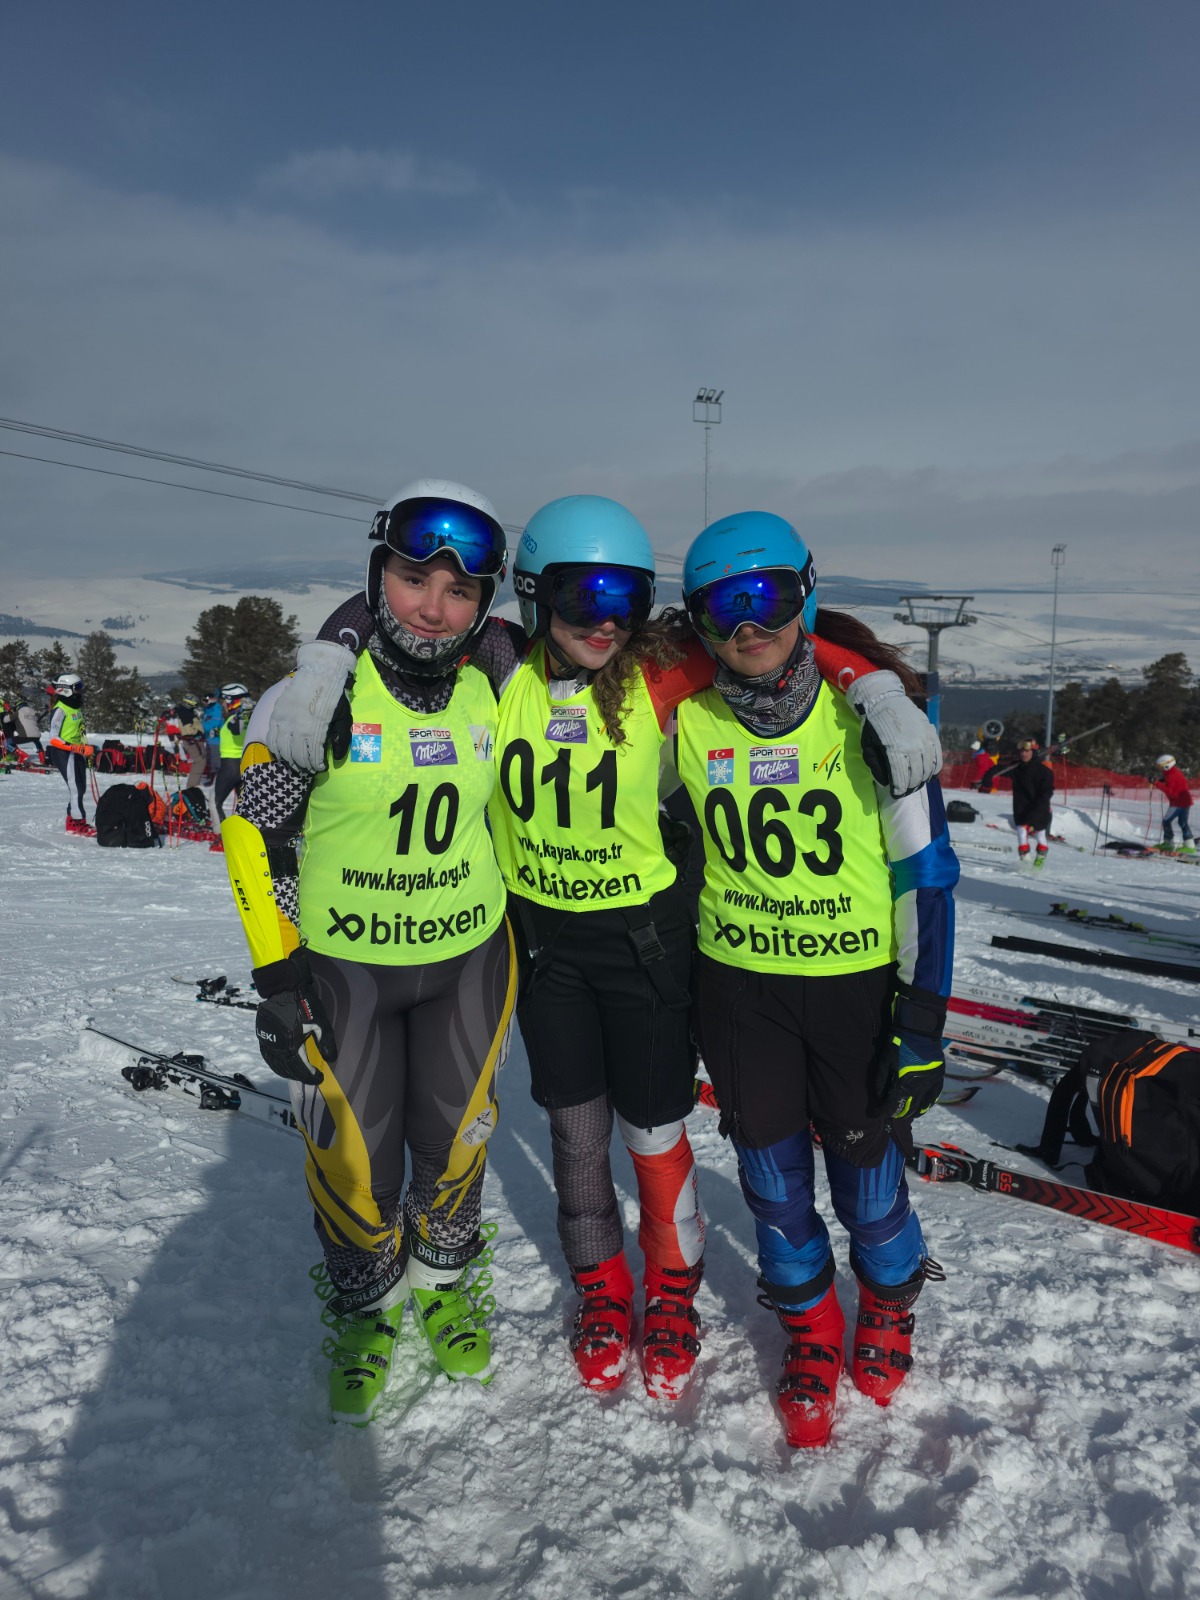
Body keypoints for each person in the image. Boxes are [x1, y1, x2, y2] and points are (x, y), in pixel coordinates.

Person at [268, 492, 945, 1403]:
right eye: (580, 597)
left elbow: (770, 638)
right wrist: (326, 654)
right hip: (547, 953)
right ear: (534, 595)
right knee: (576, 1139)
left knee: (655, 1137)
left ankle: (671, 1290)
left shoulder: (653, 674)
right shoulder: (500, 666)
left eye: (623, 597)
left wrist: (873, 685)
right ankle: (602, 1288)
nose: (603, 620)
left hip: (647, 950)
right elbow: (404, 613)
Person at [222, 480, 516, 1425]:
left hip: (467, 958)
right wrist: (278, 976)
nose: (433, 607)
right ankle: (364, 1304)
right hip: (345, 968)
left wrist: (868, 681)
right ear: (377, 573)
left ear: (485, 603)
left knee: (454, 1144)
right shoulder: (312, 696)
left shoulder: (499, 684)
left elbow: (639, 651)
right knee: (355, 1162)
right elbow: (253, 836)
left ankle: (442, 1283)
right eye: (412, 578)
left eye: (460, 591)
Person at [675, 511, 958, 1449]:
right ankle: (811, 1331)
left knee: (867, 1181)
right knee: (773, 1183)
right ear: (700, 621)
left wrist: (922, 1021)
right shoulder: (689, 718)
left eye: (768, 597)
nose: (749, 625)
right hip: (740, 990)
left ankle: (889, 1307)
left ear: (805, 592)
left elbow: (926, 878)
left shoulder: (873, 720)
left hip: (852, 991)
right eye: (725, 607)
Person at [45, 673, 95, 835]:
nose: (80, 690)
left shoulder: (75, 705)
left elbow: (77, 730)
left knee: (81, 788)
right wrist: (76, 748)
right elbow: (53, 738)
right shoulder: (60, 709)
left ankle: (71, 820)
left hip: (76, 752)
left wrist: (84, 747)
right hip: (63, 753)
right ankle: (79, 823)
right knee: (76, 789)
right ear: (65, 689)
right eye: (77, 687)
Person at [1008, 739, 1055, 866]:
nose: (1023, 754)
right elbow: (1001, 770)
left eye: (1027, 751)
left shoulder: (1044, 772)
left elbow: (1046, 792)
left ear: (1032, 752)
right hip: (1022, 806)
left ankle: (1039, 861)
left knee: (1040, 834)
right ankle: (1025, 862)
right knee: (1022, 832)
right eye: (1022, 751)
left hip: (1040, 808)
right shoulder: (1017, 768)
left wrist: (1040, 807)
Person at [213, 684, 251, 822]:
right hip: (244, 765)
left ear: (231, 700)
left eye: (224, 701)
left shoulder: (237, 717)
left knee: (215, 802)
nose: (223, 704)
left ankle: (220, 832)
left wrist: (239, 716)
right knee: (244, 805)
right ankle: (244, 830)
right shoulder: (248, 717)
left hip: (230, 766)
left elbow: (236, 729)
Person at [1152, 755, 1195, 852]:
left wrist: (1157, 784)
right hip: (1185, 801)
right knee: (1183, 823)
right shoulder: (1174, 772)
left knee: (1166, 821)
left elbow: (1171, 793)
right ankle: (1190, 846)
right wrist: (1162, 781)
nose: (1160, 769)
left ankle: (1168, 843)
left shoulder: (1171, 775)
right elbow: (1174, 783)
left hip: (1178, 803)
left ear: (1167, 765)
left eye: (1160, 766)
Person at [170, 695, 209, 789]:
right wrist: (197, 733)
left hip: (193, 739)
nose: (194, 706)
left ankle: (193, 784)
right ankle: (192, 785)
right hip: (191, 740)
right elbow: (188, 729)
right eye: (193, 704)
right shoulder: (185, 712)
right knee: (200, 761)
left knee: (200, 760)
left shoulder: (185, 711)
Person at [200, 692, 223, 785]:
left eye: (205, 700)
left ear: (211, 701)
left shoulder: (216, 710)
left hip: (216, 739)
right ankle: (212, 776)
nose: (204, 703)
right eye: (203, 700)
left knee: (215, 759)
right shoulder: (208, 710)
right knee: (210, 758)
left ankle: (219, 779)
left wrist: (200, 728)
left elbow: (213, 724)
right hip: (209, 738)